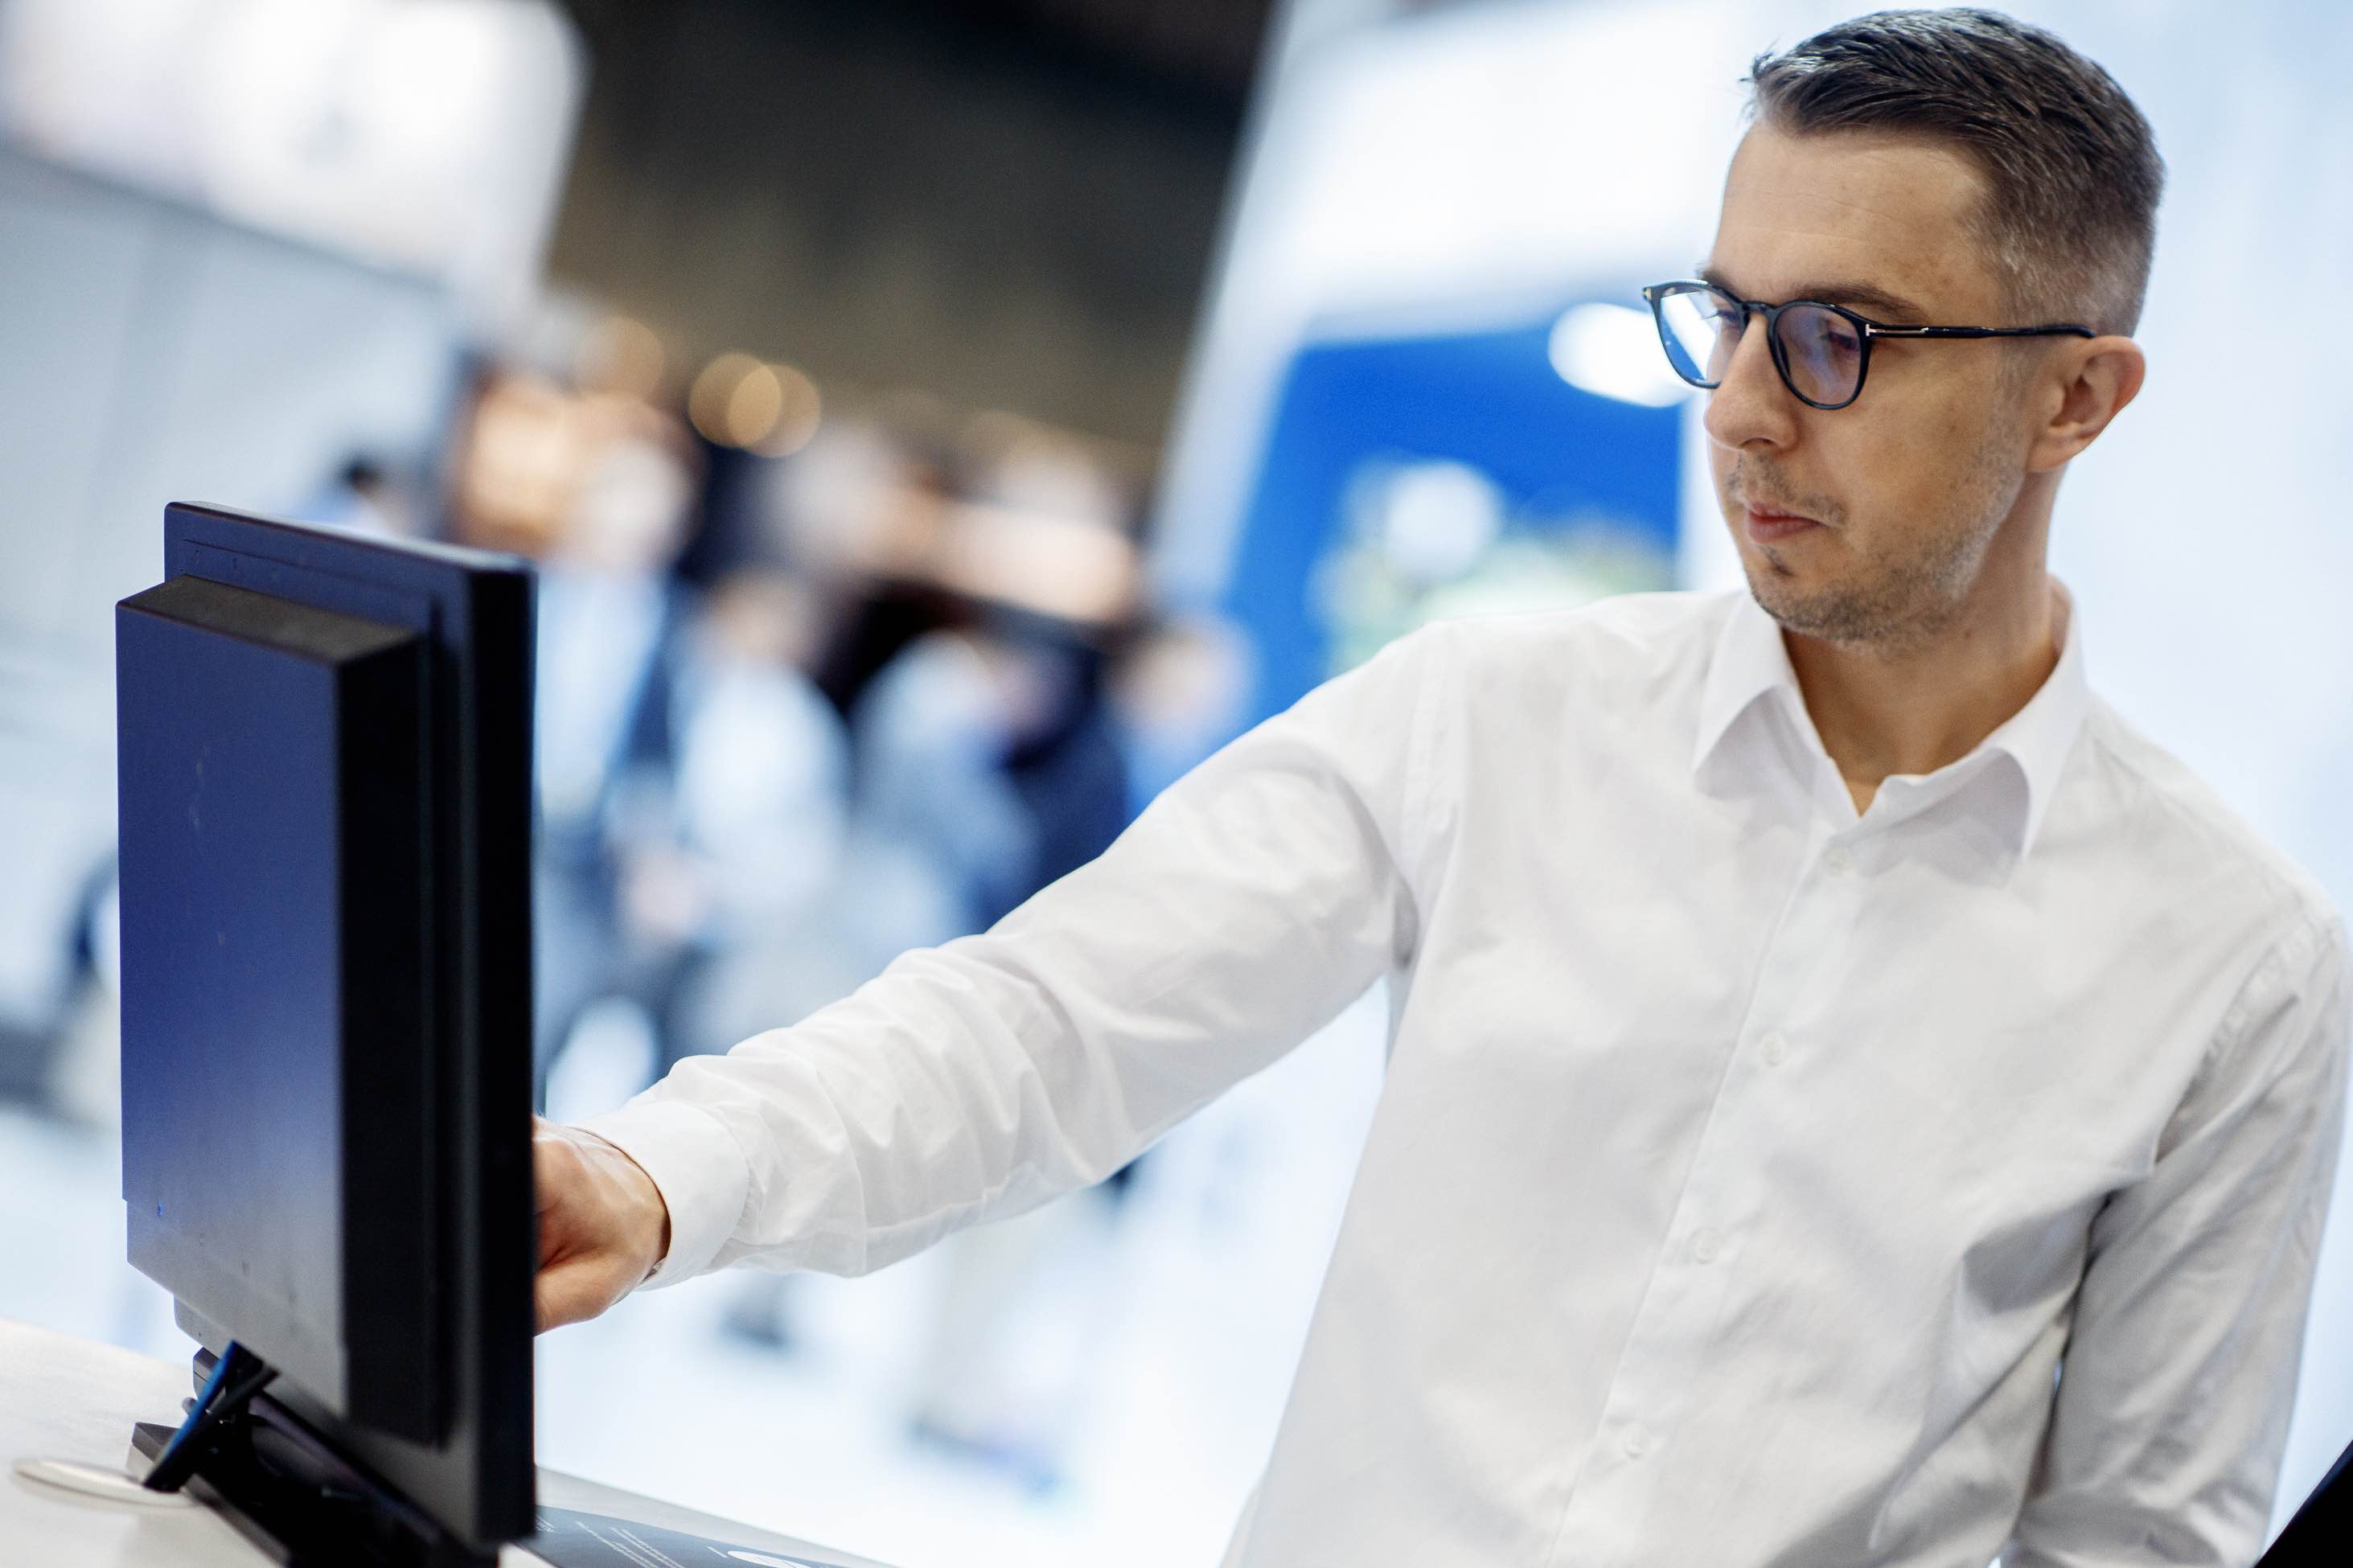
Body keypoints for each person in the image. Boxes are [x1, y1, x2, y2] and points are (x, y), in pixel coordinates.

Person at [529, 10, 2351, 1565]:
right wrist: (651, 1172)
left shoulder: (2233, 967)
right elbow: (1047, 1028)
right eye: (1724, 316)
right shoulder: (1492, 716)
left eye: (1835, 338)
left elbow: (2130, 1538)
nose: (1733, 407)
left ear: (2075, 401)